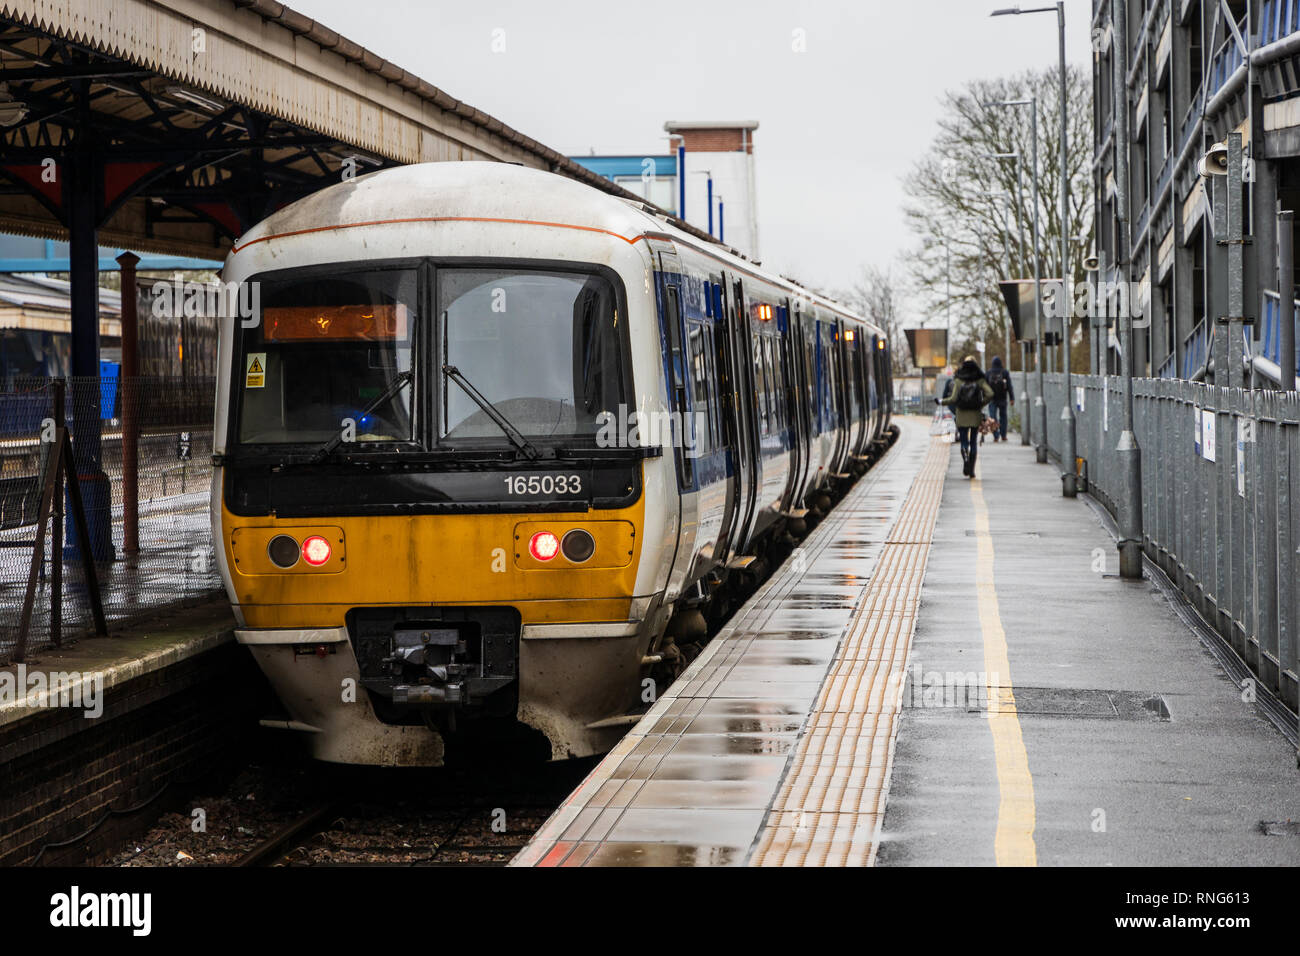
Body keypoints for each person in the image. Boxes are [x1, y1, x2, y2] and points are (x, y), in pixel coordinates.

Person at [937, 355, 995, 478]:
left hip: (961, 414)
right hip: (975, 415)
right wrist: (980, 403)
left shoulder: (958, 380)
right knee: (973, 441)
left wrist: (941, 401)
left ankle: (966, 459)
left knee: (963, 440)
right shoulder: (979, 380)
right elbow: (990, 393)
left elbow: (952, 399)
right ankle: (972, 470)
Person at [985, 355, 1014, 442]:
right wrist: (1012, 398)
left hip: (992, 399)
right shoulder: (1004, 372)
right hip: (1002, 398)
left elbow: (984, 387)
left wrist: (983, 398)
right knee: (1003, 417)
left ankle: (996, 435)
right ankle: (1003, 435)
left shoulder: (988, 373)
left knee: (993, 417)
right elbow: (1009, 386)